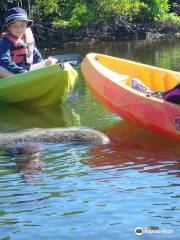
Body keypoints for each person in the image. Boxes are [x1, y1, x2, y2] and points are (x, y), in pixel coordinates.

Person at [0, 7, 57, 78]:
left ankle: (36, 79)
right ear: (8, 28)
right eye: (15, 25)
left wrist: (43, 67)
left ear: (26, 25)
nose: (19, 29)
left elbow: (37, 58)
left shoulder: (28, 39)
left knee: (50, 61)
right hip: (13, 73)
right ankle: (21, 81)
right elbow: (4, 61)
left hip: (28, 71)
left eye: (22, 25)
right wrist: (21, 71)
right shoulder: (5, 42)